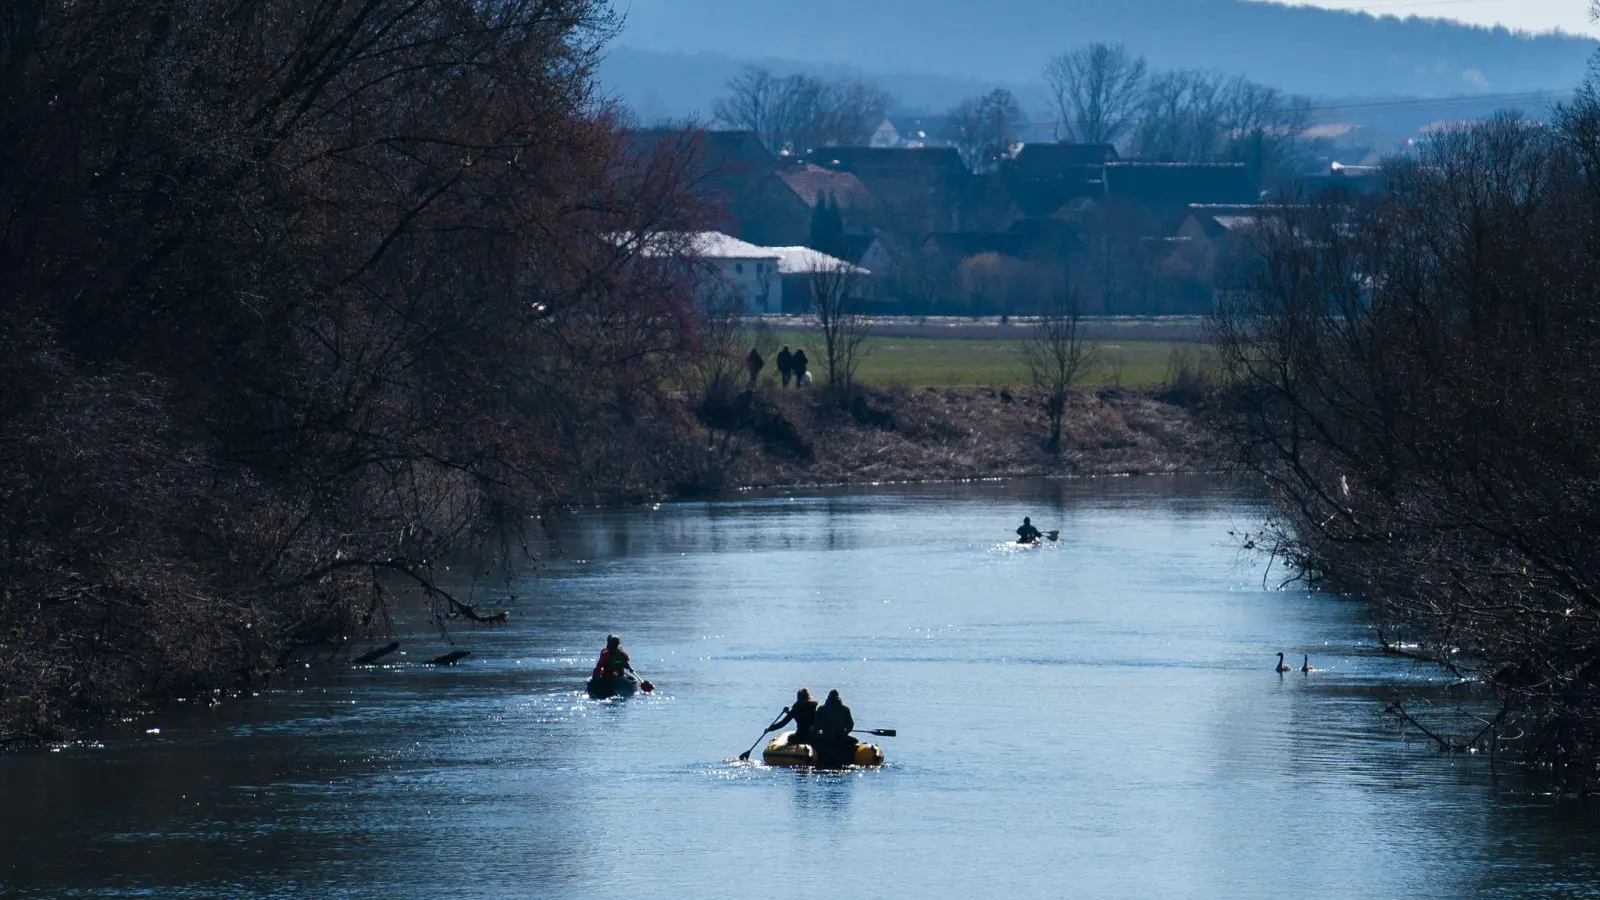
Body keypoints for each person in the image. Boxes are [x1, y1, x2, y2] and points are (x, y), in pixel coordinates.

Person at [813, 689, 857, 755]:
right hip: (841, 738)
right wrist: (845, 733)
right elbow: (850, 726)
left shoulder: (821, 709)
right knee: (855, 741)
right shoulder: (845, 709)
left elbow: (817, 727)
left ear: (828, 698)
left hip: (826, 737)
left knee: (813, 739)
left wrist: (813, 729)